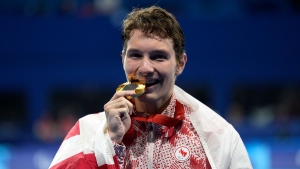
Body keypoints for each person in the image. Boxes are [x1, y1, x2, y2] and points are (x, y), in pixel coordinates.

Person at [49, 6, 252, 169]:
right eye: (135, 55)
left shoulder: (217, 136)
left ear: (180, 64)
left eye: (158, 57)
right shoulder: (87, 133)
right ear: (123, 59)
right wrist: (110, 141)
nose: (145, 68)